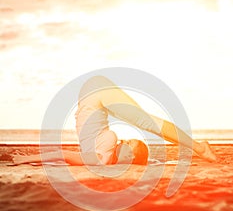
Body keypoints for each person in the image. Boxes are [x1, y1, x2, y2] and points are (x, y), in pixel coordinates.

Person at [12, 75, 217, 165]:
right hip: (96, 95)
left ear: (127, 157)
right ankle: (199, 147)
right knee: (145, 121)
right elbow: (149, 161)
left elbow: (62, 154)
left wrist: (24, 159)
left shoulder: (98, 159)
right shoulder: (105, 154)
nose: (124, 141)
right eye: (129, 141)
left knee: (146, 122)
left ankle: (199, 147)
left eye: (128, 144)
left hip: (95, 95)